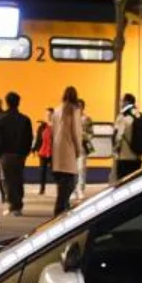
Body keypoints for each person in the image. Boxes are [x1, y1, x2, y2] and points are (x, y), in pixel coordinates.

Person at [0, 92, 34, 217]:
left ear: (7, 102)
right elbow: (29, 138)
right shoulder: (25, 119)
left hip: (5, 155)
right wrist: (25, 153)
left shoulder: (1, 119)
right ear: (18, 102)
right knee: (18, 179)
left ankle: (13, 206)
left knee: (8, 181)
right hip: (20, 155)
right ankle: (18, 204)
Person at [51, 86, 84, 216]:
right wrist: (78, 150)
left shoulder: (57, 110)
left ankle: (63, 210)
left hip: (57, 154)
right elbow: (76, 132)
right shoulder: (74, 110)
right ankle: (59, 213)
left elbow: (54, 132)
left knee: (62, 187)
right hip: (69, 152)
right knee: (69, 185)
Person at [112, 93, 142, 182]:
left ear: (126, 102)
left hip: (124, 158)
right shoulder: (139, 115)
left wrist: (115, 151)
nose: (121, 103)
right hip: (138, 157)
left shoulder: (122, 116)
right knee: (135, 182)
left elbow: (118, 137)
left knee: (123, 183)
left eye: (122, 101)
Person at [34, 109, 54, 195]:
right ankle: (42, 188)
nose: (48, 116)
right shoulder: (42, 126)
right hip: (43, 151)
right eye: (47, 114)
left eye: (50, 114)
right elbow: (38, 139)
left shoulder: (57, 126)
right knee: (42, 171)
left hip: (54, 152)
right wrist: (34, 149)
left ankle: (60, 188)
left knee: (56, 171)